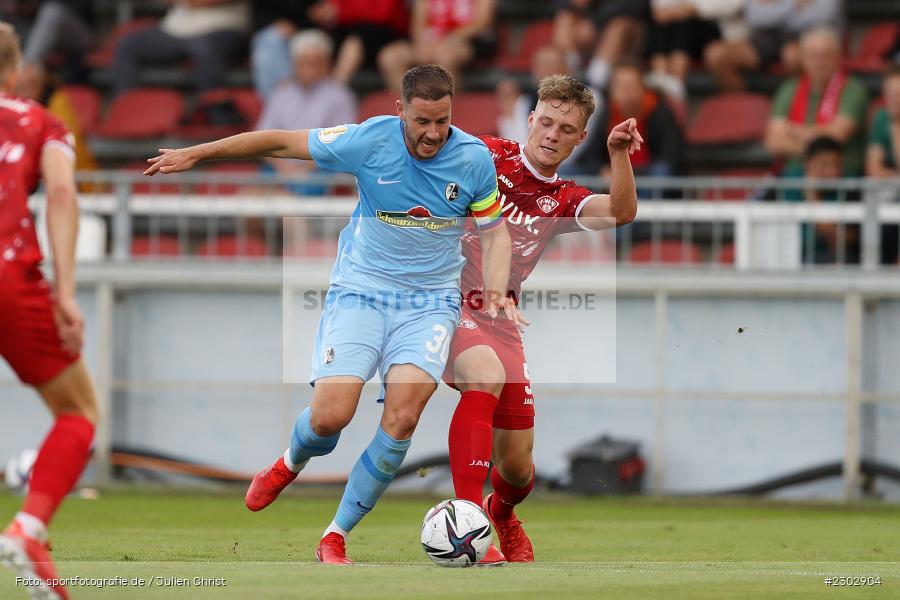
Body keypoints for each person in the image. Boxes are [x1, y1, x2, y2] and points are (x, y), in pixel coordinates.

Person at [144, 65, 518, 564]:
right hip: (361, 292)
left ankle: (334, 535)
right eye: (422, 121)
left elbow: (493, 233)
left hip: (428, 304)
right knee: (330, 416)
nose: (433, 134)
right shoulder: (368, 141)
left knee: (402, 417)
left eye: (442, 121)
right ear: (400, 110)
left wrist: (497, 290)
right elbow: (277, 141)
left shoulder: (472, 159)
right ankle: (290, 461)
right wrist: (197, 152)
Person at [444, 74, 639, 563]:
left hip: (503, 319)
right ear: (530, 121)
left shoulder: (565, 199)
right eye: (546, 122)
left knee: (517, 468)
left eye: (565, 128)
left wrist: (618, 155)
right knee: (482, 378)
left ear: (579, 139)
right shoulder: (485, 154)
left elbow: (620, 212)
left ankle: (502, 513)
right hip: (446, 303)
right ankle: (469, 523)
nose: (552, 134)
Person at [0, 22, 98, 600]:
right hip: (10, 276)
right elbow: (61, 193)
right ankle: (29, 530)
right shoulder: (40, 121)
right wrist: (64, 293)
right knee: (79, 411)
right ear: (17, 72)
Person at [256, 29, 356, 195]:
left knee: (283, 204)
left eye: (314, 63)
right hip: (278, 167)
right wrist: (284, 169)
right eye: (303, 62)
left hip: (319, 169)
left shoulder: (340, 96)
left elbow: (341, 145)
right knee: (250, 201)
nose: (308, 69)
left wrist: (303, 169)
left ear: (326, 64)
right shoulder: (281, 93)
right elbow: (261, 137)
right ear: (294, 64)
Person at [765, 27, 868, 177]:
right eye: (812, 55)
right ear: (803, 58)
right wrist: (820, 147)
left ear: (838, 58)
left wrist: (794, 132)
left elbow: (838, 135)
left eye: (825, 55)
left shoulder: (852, 89)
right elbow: (774, 141)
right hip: (794, 173)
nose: (818, 62)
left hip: (839, 175)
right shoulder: (789, 89)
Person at [111, 0, 250, 98]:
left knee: (204, 48)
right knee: (128, 44)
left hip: (222, 29)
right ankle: (126, 106)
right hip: (176, 29)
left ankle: (212, 108)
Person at [570, 60, 683, 178]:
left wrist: (630, 175)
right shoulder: (608, 113)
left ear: (642, 88)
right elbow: (591, 154)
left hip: (647, 176)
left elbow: (670, 156)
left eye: (631, 86)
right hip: (614, 175)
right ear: (612, 90)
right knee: (568, 171)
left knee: (661, 172)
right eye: (621, 86)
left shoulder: (659, 111)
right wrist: (602, 170)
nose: (626, 92)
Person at [704, 0, 843, 92]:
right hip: (765, 37)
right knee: (716, 55)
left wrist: (774, 9)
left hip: (808, 35)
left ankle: (800, 113)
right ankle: (746, 112)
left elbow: (824, 14)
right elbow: (755, 16)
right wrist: (793, 5)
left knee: (793, 56)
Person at [377, 0, 496, 92]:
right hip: (431, 41)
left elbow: (482, 21)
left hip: (466, 40)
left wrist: (447, 40)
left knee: (445, 57)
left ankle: (446, 117)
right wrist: (422, 44)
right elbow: (418, 22)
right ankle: (406, 114)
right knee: (390, 57)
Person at [865, 63, 900, 264]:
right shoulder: (881, 118)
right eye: (891, 93)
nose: (896, 98)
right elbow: (873, 169)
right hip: (890, 193)